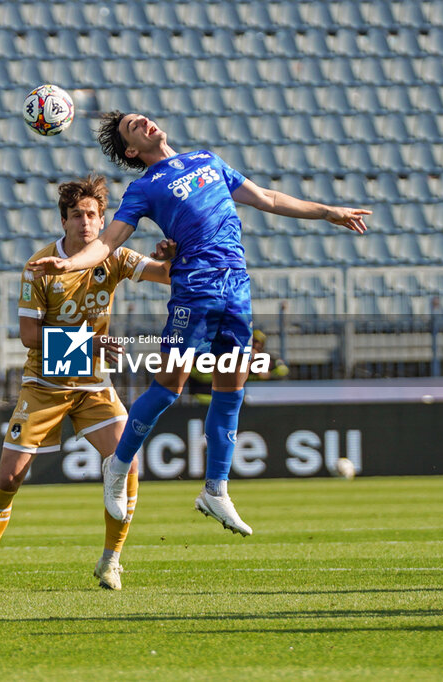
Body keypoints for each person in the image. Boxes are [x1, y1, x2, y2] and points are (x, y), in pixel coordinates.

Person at [29, 112, 369, 537]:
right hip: (196, 289)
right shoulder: (144, 188)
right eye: (134, 126)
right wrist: (68, 262)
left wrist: (328, 212)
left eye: (143, 118)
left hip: (237, 287)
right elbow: (108, 242)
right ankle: (117, 466)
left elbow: (268, 198)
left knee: (232, 390)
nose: (145, 122)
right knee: (169, 387)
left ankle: (215, 490)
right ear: (132, 150)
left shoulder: (207, 161)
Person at [0, 175, 174, 591]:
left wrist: (173, 255)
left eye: (93, 215)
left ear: (103, 218)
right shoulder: (39, 267)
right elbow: (29, 336)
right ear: (63, 220)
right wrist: (91, 341)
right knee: (9, 478)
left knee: (126, 464)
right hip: (44, 385)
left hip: (93, 384)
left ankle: (111, 561)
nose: (86, 223)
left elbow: (167, 275)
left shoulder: (115, 257)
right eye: (77, 215)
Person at [189, 329, 288, 404]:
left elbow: (283, 370)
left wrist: (269, 374)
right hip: (205, 399)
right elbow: (199, 374)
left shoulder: (264, 359)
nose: (254, 346)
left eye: (257, 343)